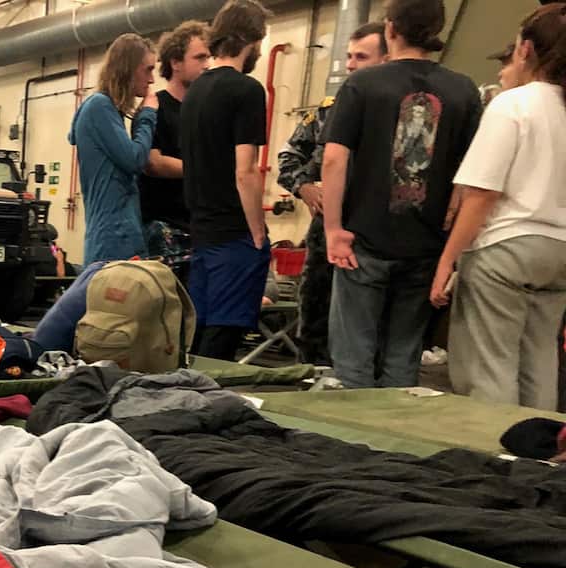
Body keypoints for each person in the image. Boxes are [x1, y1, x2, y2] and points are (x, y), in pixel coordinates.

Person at [320, 0, 481, 389]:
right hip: (426, 244)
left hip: (363, 240)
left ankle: (350, 443)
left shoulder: (361, 84)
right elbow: (472, 175)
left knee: (353, 358)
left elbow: (333, 160)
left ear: (390, 28)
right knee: (403, 360)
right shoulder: (464, 91)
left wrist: (333, 229)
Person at [429, 3, 566, 411]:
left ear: (524, 49)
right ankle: (539, 461)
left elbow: (482, 195)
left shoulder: (513, 104)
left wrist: (447, 261)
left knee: (491, 365)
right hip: (559, 250)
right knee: (539, 362)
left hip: (507, 249)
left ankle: (494, 461)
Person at [277, 22, 387, 365]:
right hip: (325, 242)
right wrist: (305, 188)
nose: (350, 65)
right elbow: (288, 158)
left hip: (376, 239)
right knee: (315, 329)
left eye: (361, 57)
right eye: (349, 56)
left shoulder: (400, 111)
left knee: (373, 340)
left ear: (387, 59)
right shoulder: (329, 110)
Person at [179, 0, 272, 361]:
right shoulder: (247, 90)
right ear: (252, 39)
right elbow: (245, 171)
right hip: (234, 233)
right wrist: (258, 231)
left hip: (202, 231)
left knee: (201, 333)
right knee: (224, 339)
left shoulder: (195, 92)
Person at [68, 34, 159, 264]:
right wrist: (148, 114)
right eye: (147, 70)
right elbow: (135, 159)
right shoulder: (99, 107)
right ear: (128, 70)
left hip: (122, 235)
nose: (151, 79)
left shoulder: (108, 111)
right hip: (113, 240)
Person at [138, 20, 211, 277]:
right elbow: (152, 162)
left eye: (209, 57)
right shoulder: (155, 107)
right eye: (199, 57)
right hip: (163, 225)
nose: (207, 64)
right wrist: (203, 171)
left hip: (199, 224)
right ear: (176, 63)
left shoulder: (205, 111)